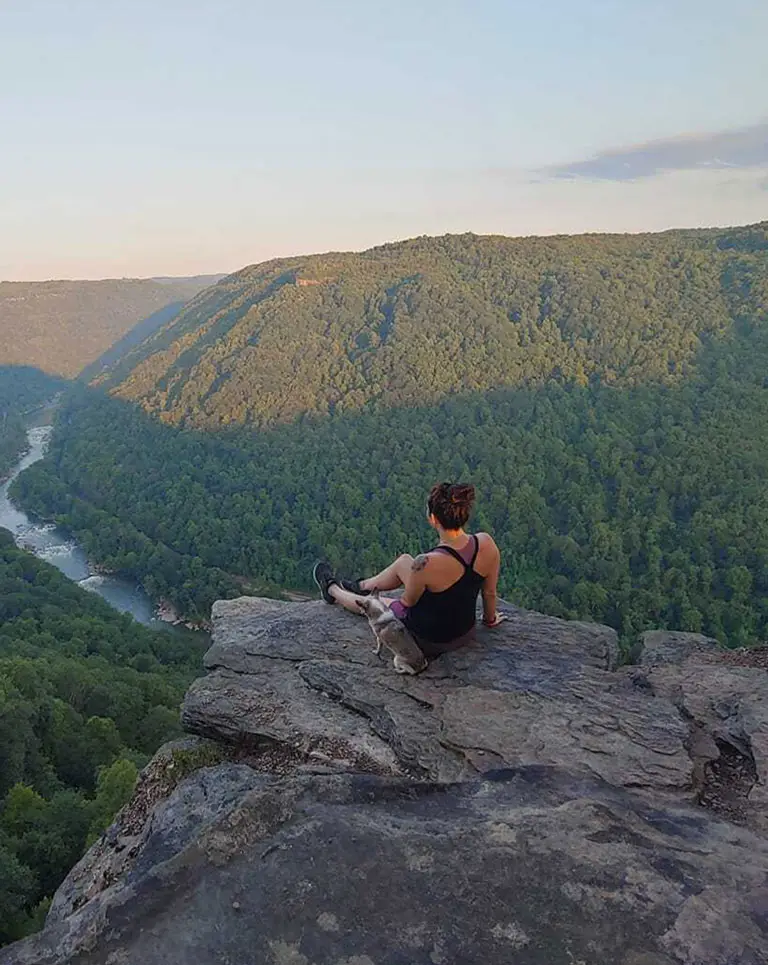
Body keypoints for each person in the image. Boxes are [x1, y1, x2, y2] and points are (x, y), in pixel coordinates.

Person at [312, 482, 505, 658]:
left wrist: (399, 594)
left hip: (430, 641)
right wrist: (490, 620)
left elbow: (408, 602)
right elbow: (489, 593)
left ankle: (333, 590)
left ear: (433, 519)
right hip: (465, 633)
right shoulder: (486, 544)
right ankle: (360, 585)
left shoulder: (426, 564)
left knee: (373, 605)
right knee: (404, 560)